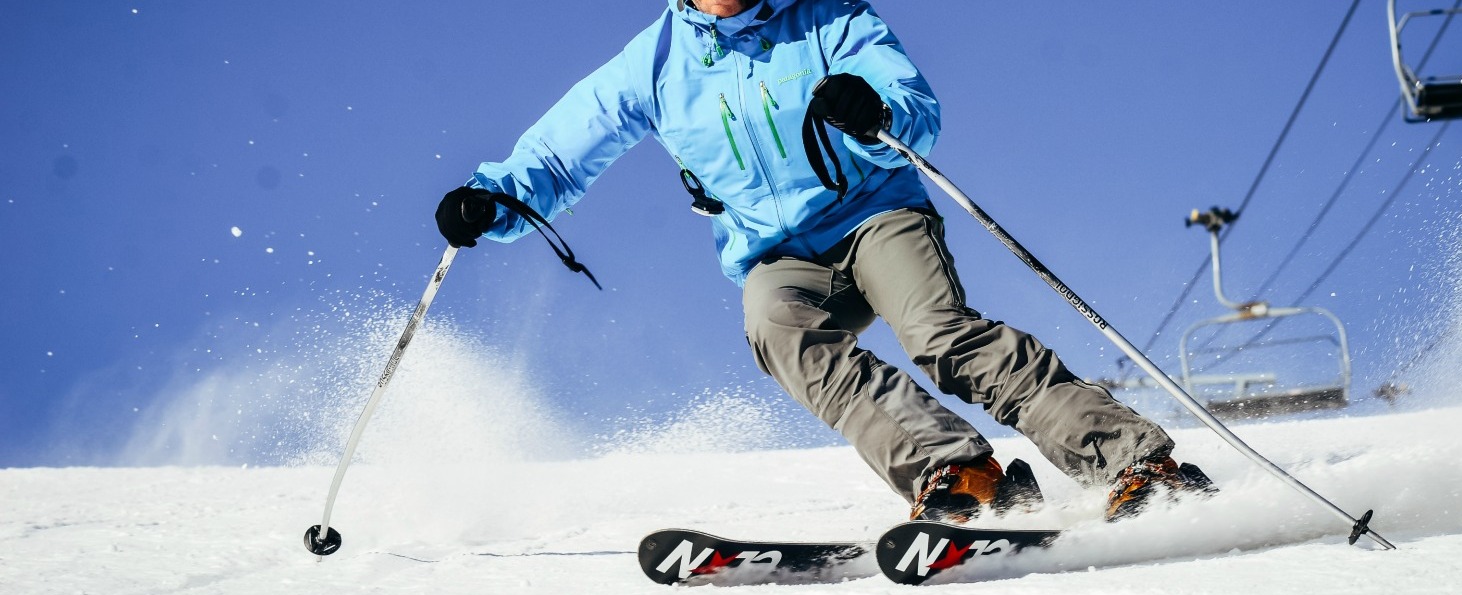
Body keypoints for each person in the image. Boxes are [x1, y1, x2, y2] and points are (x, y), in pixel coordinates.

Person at [435, 0, 1213, 523]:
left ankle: (1136, 464)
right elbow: (562, 149)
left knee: (939, 335)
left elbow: (909, 99)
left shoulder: (830, 17)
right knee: (778, 330)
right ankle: (958, 472)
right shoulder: (656, 62)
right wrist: (492, 200)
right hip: (777, 254)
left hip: (876, 214)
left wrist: (874, 111)